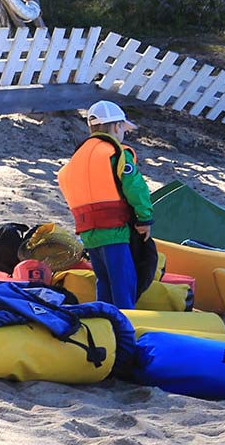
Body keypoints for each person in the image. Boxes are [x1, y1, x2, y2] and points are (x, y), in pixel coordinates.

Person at [56, 99, 153, 308]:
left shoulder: (77, 157)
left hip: (89, 235)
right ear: (117, 126)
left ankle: (105, 326)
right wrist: (145, 218)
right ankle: (126, 333)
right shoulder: (115, 153)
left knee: (105, 284)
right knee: (124, 287)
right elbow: (136, 188)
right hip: (114, 232)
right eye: (123, 129)